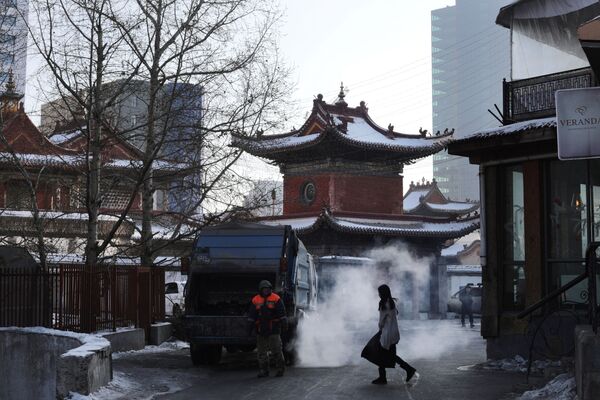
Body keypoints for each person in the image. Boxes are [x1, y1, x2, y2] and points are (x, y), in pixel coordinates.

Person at [371, 284, 416, 385]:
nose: (378, 294)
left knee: (382, 355)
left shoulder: (383, 304)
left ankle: (384, 377)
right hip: (394, 333)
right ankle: (407, 370)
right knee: (389, 355)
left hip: (387, 334)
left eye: (379, 292)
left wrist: (380, 329)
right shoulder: (391, 303)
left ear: (382, 293)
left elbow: (381, 321)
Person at [247, 280, 287, 378]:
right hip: (261, 329)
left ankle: (280, 369)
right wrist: (249, 329)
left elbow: (282, 314)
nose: (265, 291)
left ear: (270, 289)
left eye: (267, 289)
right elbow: (252, 316)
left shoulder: (276, 298)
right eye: (264, 289)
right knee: (261, 352)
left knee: (276, 350)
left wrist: (284, 324)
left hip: (273, 329)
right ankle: (264, 370)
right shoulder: (255, 300)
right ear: (260, 289)